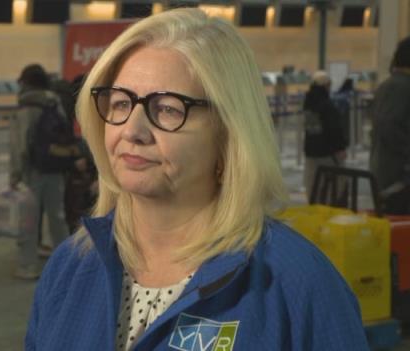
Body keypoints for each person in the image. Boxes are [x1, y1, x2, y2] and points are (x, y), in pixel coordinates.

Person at [25, 8, 368, 350]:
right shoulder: (70, 268)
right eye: (119, 103)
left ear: (228, 133)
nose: (132, 130)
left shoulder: (298, 285)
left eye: (167, 109)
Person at [9, 64, 76, 279]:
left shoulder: (26, 104)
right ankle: (67, 263)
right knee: (57, 217)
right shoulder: (54, 100)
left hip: (33, 170)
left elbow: (20, 141)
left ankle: (28, 266)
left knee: (29, 218)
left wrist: (15, 172)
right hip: (55, 166)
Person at [370, 35, 410, 215]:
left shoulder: (389, 85)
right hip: (398, 177)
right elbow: (389, 125)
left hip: (387, 172)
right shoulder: (402, 87)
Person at [302, 71, 348, 200]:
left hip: (311, 151)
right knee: (336, 183)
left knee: (313, 183)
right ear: (326, 85)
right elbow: (333, 128)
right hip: (328, 152)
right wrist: (340, 147)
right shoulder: (327, 104)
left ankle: (313, 206)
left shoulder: (308, 102)